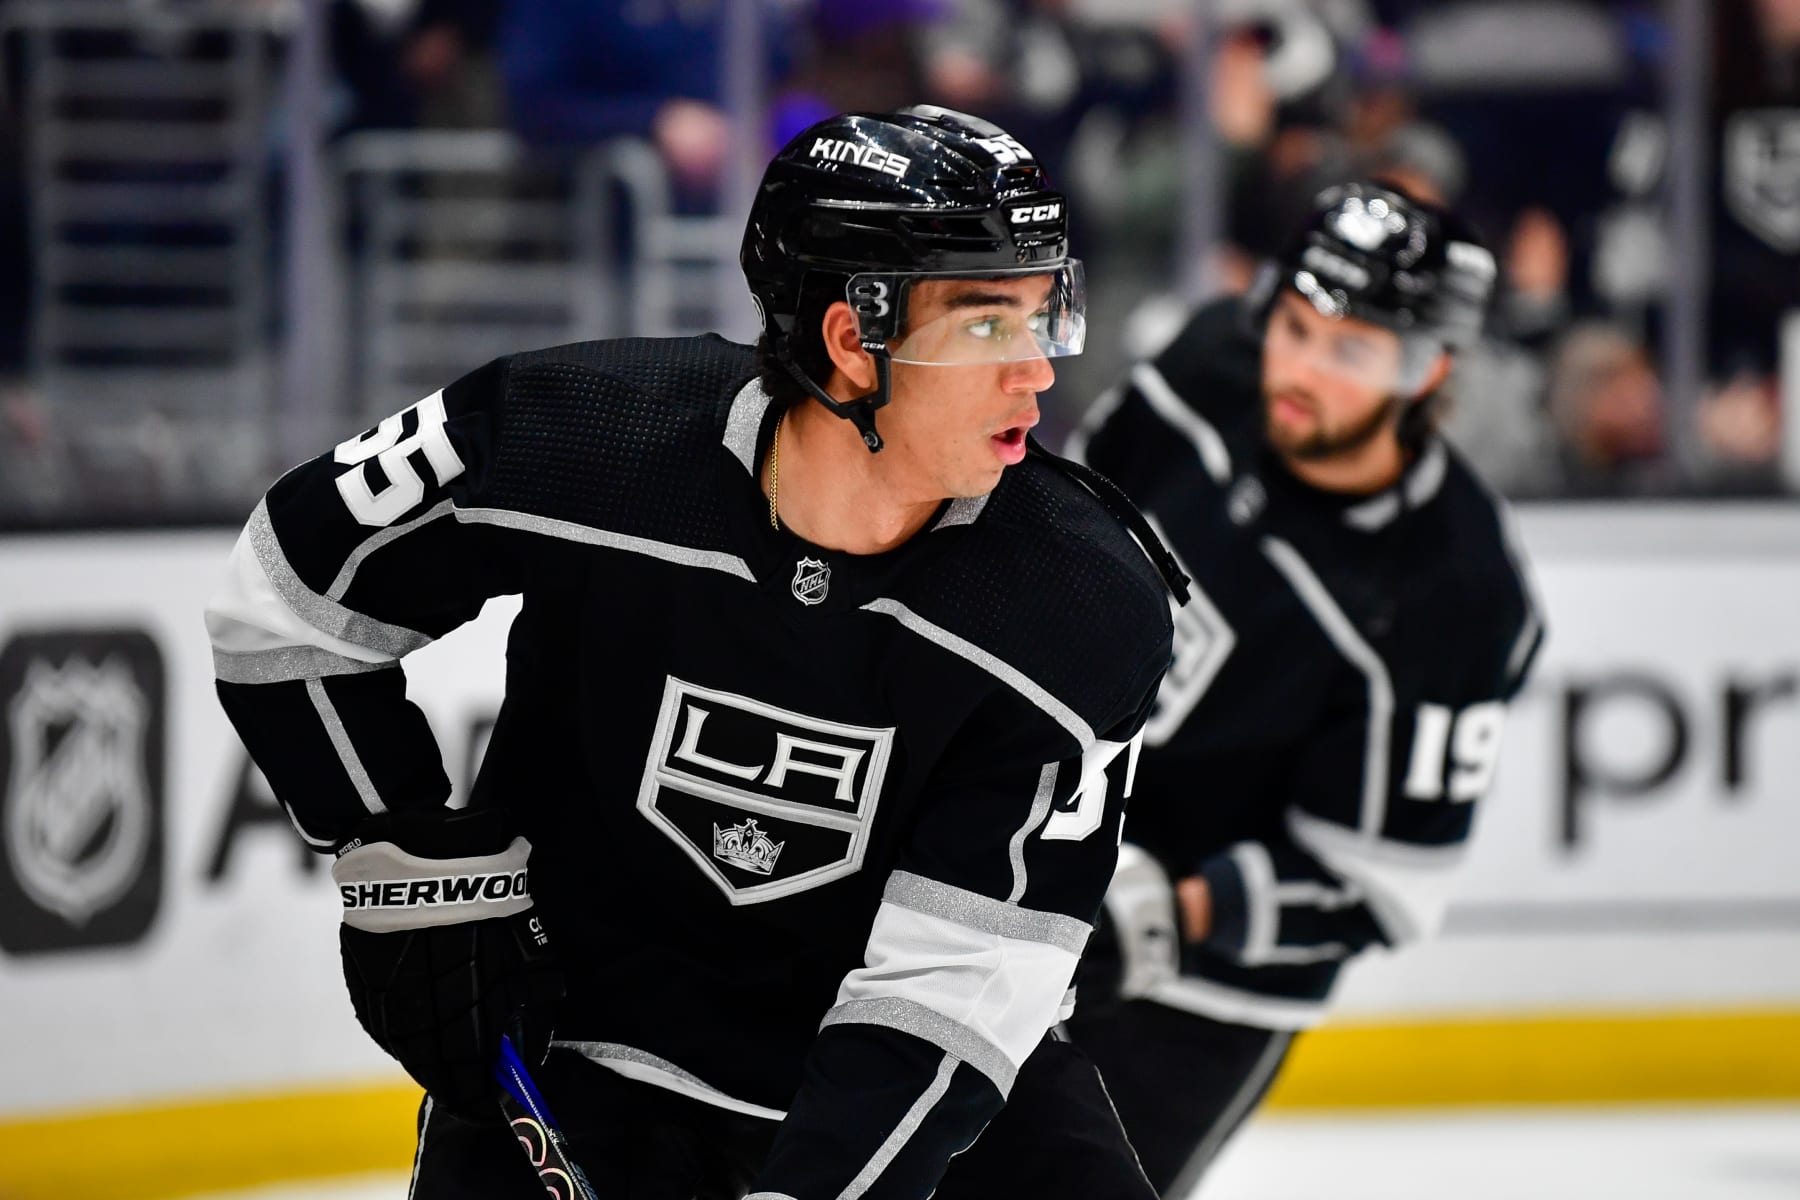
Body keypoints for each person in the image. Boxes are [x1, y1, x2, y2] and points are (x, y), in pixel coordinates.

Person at [204, 105, 1182, 1199]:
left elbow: (955, 992)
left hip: (916, 1107)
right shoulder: (587, 434)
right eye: (988, 326)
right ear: (851, 342)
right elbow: (289, 590)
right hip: (582, 1059)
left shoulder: (1080, 602)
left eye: (1044, 316)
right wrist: (404, 855)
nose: (1038, 375)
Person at [1065, 181, 1544, 1196]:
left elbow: (1383, 882)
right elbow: (1053, 542)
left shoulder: (1454, 595)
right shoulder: (1203, 370)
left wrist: (1169, 915)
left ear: (1429, 372)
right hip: (1013, 864)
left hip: (1185, 1004)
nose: (1300, 368)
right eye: (1294, 326)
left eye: (1350, 349)